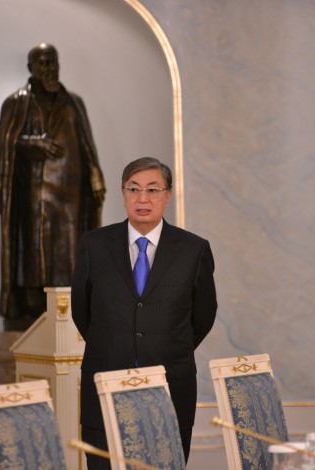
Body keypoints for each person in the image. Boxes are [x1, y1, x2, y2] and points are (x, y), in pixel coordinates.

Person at [71, 157, 217, 468]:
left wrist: (164, 346)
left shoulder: (193, 250)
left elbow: (203, 316)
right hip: (105, 384)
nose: (142, 198)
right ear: (123, 193)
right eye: (134, 189)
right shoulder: (93, 245)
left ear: (168, 195)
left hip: (171, 388)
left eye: (152, 189)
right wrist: (117, 345)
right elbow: (81, 312)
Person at [0, 43, 105, 331]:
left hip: (72, 191)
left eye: (52, 62)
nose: (49, 69)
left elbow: (87, 143)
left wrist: (95, 173)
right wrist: (34, 144)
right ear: (30, 68)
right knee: (36, 250)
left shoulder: (73, 102)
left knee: (70, 247)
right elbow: (6, 144)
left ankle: (71, 306)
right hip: (35, 191)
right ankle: (34, 305)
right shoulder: (16, 103)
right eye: (42, 64)